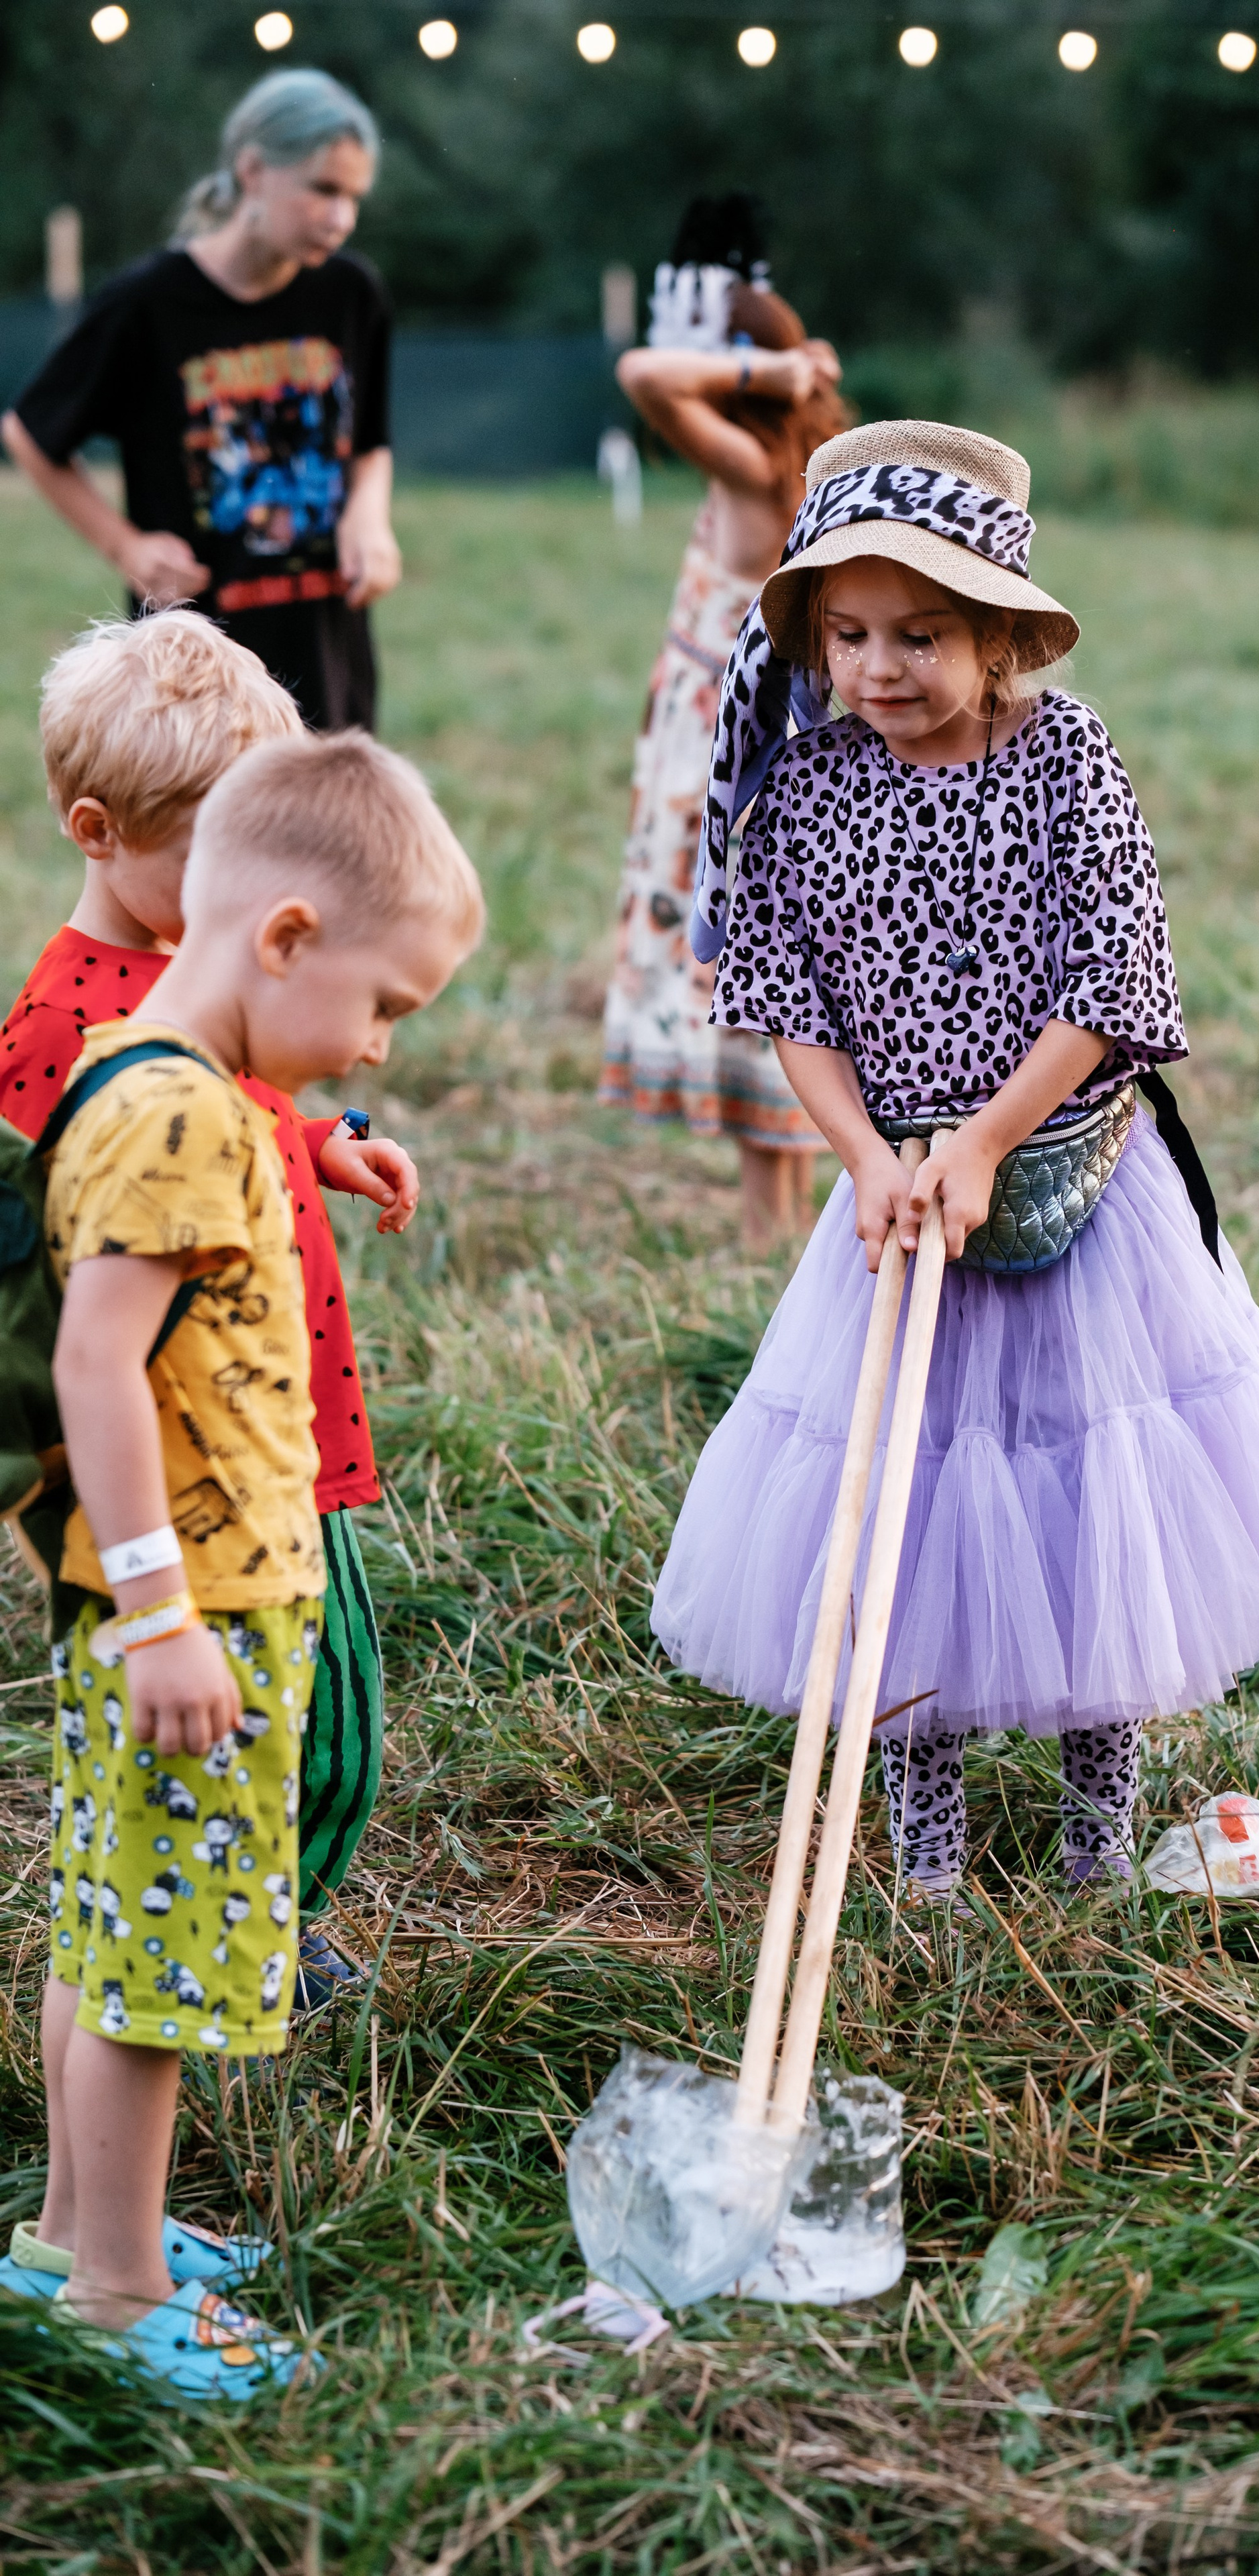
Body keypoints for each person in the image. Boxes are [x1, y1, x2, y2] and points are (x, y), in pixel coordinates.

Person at [651, 420, 1259, 1898]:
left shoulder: (1064, 758)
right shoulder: (807, 789)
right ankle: (927, 1838)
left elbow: (1111, 975)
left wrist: (988, 1139)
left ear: (999, 636)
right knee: (901, 1502)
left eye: (920, 635)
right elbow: (790, 1002)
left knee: (1094, 1492)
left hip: (1070, 1179)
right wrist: (868, 1158)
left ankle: (1095, 1832)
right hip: (898, 1195)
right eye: (850, 634)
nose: (881, 668)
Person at [0, 729, 482, 2395]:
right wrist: (161, 1614)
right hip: (191, 1607)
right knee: (159, 1968)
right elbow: (94, 1367)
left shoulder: (160, 1072)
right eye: (382, 1003)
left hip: (178, 1600)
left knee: (111, 1922)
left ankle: (70, 2235)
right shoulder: (183, 1117)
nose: (378, 1045)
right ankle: (118, 2296)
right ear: (284, 936)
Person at [0, 612, 418, 2017]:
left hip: (288, 1400)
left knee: (329, 1699)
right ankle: (258, 1923)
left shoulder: (197, 968)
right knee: (311, 1711)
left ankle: (266, 1907)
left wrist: (321, 1145)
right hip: (204, 1453)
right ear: (98, 831)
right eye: (217, 856)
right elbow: (67, 1251)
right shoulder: (62, 1031)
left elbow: (236, 1113)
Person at [599, 195, 850, 1251]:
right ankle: (777, 1217)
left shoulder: (752, 469)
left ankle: (763, 1228)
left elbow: (642, 375)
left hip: (727, 741)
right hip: (750, 724)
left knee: (747, 942)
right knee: (780, 939)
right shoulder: (804, 461)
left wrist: (769, 371)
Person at [1, 69, 398, 733]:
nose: (342, 218)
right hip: (192, 676)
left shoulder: (351, 293)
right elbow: (30, 433)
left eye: (354, 197)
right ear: (253, 170)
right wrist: (125, 547)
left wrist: (369, 515)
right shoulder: (147, 305)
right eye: (324, 190)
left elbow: (370, 441)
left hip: (326, 651)